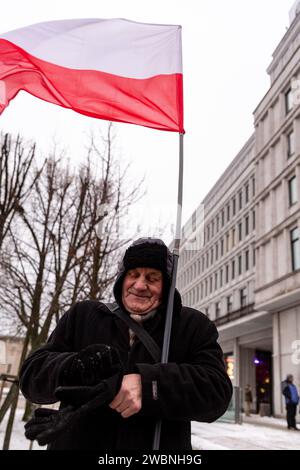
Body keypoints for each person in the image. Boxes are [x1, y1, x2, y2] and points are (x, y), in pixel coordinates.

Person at [20, 238, 233, 450]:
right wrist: (77, 367)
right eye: (133, 275)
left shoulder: (193, 325)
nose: (140, 285)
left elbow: (217, 393)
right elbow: (31, 377)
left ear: (166, 286)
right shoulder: (83, 315)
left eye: (152, 277)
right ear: (122, 279)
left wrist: (149, 386)